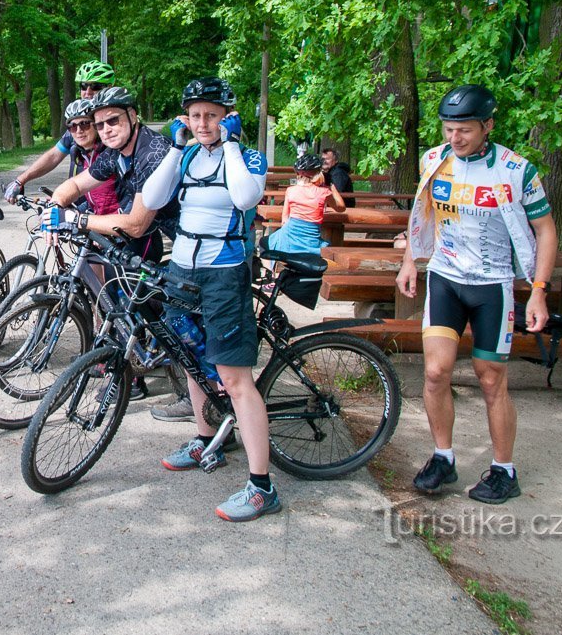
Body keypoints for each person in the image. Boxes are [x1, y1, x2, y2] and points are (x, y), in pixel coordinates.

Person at [396, 84, 557, 505]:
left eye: (464, 130)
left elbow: (546, 230)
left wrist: (538, 292)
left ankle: (505, 470)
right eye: (449, 129)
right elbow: (422, 213)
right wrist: (410, 260)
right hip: (446, 279)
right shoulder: (434, 160)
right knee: (434, 373)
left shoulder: (515, 169)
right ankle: (443, 457)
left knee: (491, 380)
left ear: (488, 125)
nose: (455, 138)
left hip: (493, 286)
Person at [133, 77, 278, 522]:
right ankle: (206, 436)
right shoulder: (188, 154)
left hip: (224, 275)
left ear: (228, 116)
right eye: (195, 115)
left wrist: (231, 144)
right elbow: (153, 199)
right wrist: (176, 149)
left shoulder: (248, 157)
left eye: (212, 115)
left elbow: (246, 196)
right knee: (190, 357)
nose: (202, 123)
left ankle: (261, 486)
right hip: (183, 269)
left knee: (235, 378)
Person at [46, 86, 180, 401]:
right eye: (101, 124)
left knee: (160, 312)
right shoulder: (114, 153)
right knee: (122, 305)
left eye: (114, 121)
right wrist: (56, 206)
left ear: (133, 117)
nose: (106, 129)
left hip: (176, 240)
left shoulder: (153, 153)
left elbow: (135, 224)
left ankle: (173, 387)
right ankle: (131, 370)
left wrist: (76, 220)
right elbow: (78, 183)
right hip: (150, 235)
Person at [3, 60, 117, 203]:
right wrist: (20, 180)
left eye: (96, 86)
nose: (88, 92)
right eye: (83, 86)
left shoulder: (116, 129)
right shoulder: (78, 124)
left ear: (110, 88)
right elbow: (54, 156)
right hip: (82, 199)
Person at [263, 153, 345, 255]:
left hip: (289, 240)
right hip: (311, 244)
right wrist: (332, 186)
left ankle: (271, 270)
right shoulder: (324, 192)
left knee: (263, 243)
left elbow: (284, 221)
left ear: (298, 174)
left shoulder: (291, 190)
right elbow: (341, 208)